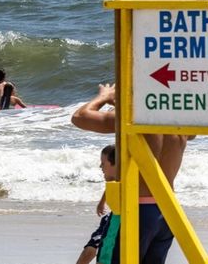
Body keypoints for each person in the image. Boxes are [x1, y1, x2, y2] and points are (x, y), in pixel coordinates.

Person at [71, 83, 194, 264]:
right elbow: (192, 135)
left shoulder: (136, 118)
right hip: (168, 212)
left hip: (137, 209)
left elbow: (80, 117)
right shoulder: (177, 120)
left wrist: (105, 96)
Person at [76, 145, 117, 264]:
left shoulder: (125, 177)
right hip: (113, 217)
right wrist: (102, 202)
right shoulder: (117, 177)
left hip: (117, 219)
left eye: (103, 163)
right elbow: (112, 184)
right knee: (95, 244)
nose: (100, 166)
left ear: (114, 164)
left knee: (97, 247)